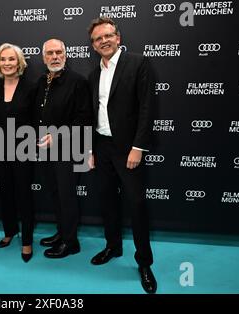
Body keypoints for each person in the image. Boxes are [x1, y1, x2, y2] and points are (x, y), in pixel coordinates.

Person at [87, 17, 157, 293]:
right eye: (97, 38)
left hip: (128, 149)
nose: (103, 41)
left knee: (137, 205)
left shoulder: (138, 63)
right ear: (93, 45)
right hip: (101, 148)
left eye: (108, 35)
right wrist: (89, 149)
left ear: (118, 37)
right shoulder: (94, 75)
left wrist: (138, 147)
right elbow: (91, 115)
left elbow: (146, 108)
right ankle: (113, 247)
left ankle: (144, 263)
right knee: (106, 202)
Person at [34, 39, 92, 258]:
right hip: (45, 150)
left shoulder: (77, 82)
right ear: (44, 57)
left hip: (68, 149)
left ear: (66, 55)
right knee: (56, 194)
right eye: (50, 53)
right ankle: (62, 232)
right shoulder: (42, 81)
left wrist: (57, 135)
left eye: (59, 52)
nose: (55, 56)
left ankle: (71, 242)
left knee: (67, 196)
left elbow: (84, 118)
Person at [0, 43, 35, 263]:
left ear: (19, 63)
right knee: (5, 193)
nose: (7, 63)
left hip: (24, 150)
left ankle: (26, 240)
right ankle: (9, 231)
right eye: (3, 59)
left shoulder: (31, 88)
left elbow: (36, 121)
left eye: (11, 59)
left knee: (24, 196)